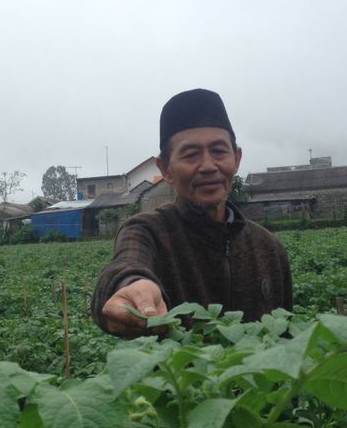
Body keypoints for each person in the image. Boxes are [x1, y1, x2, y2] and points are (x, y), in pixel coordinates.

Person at [92, 88, 293, 338]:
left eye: (219, 151)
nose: (208, 166)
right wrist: (131, 287)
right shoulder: (148, 231)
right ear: (165, 169)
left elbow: (286, 343)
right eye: (191, 155)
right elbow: (127, 264)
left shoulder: (269, 248)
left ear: (237, 158)